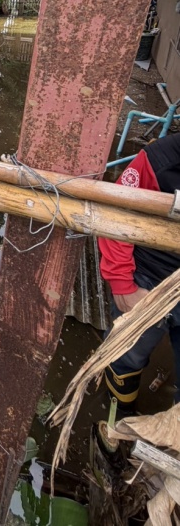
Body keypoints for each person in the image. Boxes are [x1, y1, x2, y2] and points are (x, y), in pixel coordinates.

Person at [99, 131, 180, 414]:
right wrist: (123, 283)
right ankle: (119, 416)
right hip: (149, 277)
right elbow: (117, 211)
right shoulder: (161, 158)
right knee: (126, 356)